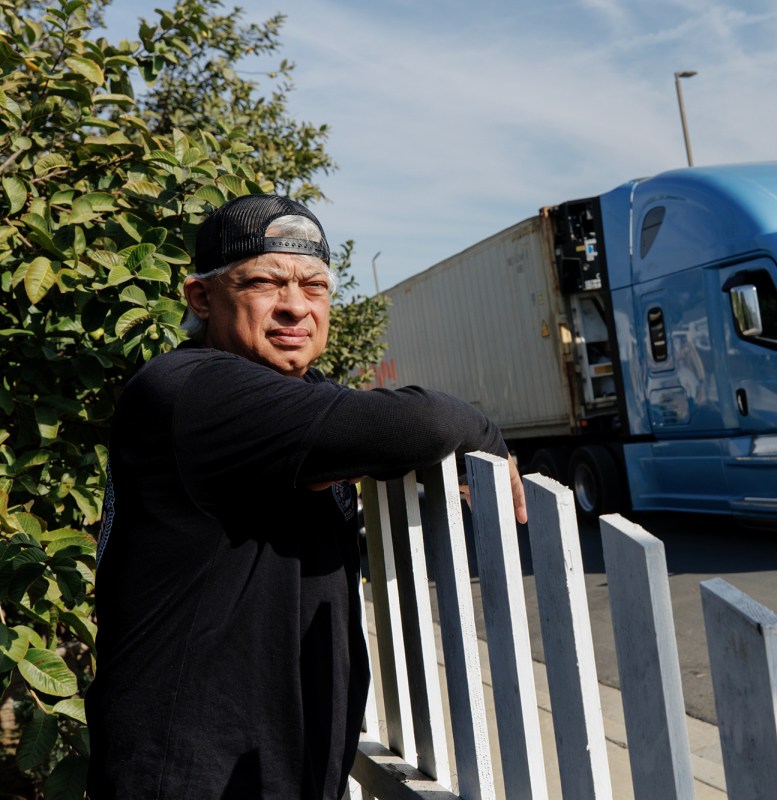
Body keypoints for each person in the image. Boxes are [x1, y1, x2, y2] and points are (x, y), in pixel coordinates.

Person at [85, 194, 527, 799]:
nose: (295, 306)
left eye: (315, 286)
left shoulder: (288, 396)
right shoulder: (191, 390)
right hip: (192, 778)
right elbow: (416, 423)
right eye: (265, 282)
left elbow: (372, 429)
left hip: (275, 773)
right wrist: (488, 438)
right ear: (201, 298)